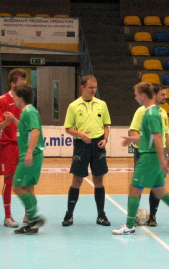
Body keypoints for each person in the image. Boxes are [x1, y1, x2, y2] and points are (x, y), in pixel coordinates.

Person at [113, 82, 169, 235]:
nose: (135, 97)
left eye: (136, 94)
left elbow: (157, 137)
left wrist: (162, 160)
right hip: (153, 156)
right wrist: (134, 140)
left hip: (150, 158)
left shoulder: (151, 114)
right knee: (160, 191)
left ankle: (129, 226)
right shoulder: (153, 112)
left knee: (134, 189)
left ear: (143, 96)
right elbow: (150, 137)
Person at [62, 75, 111, 227]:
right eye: (90, 87)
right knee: (77, 180)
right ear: (82, 87)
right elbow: (68, 128)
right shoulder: (73, 106)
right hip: (81, 144)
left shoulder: (102, 104)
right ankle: (69, 215)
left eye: (95, 87)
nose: (93, 90)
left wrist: (105, 139)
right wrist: (80, 135)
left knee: (98, 180)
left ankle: (101, 215)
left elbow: (106, 125)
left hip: (98, 145)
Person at [129, 84, 169, 226]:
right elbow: (133, 130)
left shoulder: (163, 113)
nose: (165, 97)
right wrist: (142, 143)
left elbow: (165, 135)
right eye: (162, 94)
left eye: (166, 94)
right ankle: (134, 217)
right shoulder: (142, 111)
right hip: (145, 153)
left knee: (156, 186)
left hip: (160, 152)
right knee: (138, 185)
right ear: (154, 95)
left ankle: (153, 216)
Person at [0, 68, 28, 228]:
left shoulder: (24, 101)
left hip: (23, 145)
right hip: (8, 145)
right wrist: (8, 121)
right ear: (13, 84)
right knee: (9, 179)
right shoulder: (1, 100)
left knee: (27, 180)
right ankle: (8, 216)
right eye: (22, 84)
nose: (25, 86)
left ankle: (28, 214)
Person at [11, 84, 45, 234]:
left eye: (15, 96)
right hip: (30, 153)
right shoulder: (26, 112)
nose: (13, 99)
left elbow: (35, 131)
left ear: (20, 97)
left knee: (17, 187)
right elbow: (27, 129)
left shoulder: (30, 111)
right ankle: (32, 223)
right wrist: (14, 120)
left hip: (30, 154)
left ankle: (35, 217)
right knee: (29, 188)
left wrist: (30, 152)